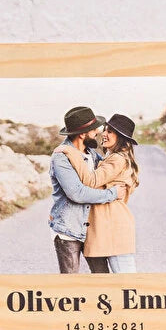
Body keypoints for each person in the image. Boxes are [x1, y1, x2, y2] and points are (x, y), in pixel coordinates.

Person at [53, 112, 139, 273]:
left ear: (120, 137)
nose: (102, 134)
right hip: (104, 227)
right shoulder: (109, 157)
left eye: (110, 131)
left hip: (114, 226)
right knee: (108, 281)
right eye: (104, 130)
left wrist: (70, 152)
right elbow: (83, 186)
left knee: (126, 282)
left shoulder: (117, 159)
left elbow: (91, 181)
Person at [48, 106, 118, 274]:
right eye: (94, 129)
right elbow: (77, 193)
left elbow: (108, 170)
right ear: (82, 133)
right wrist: (113, 194)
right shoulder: (61, 157)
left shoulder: (92, 154)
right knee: (71, 283)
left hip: (92, 229)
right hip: (68, 231)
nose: (98, 132)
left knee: (102, 276)